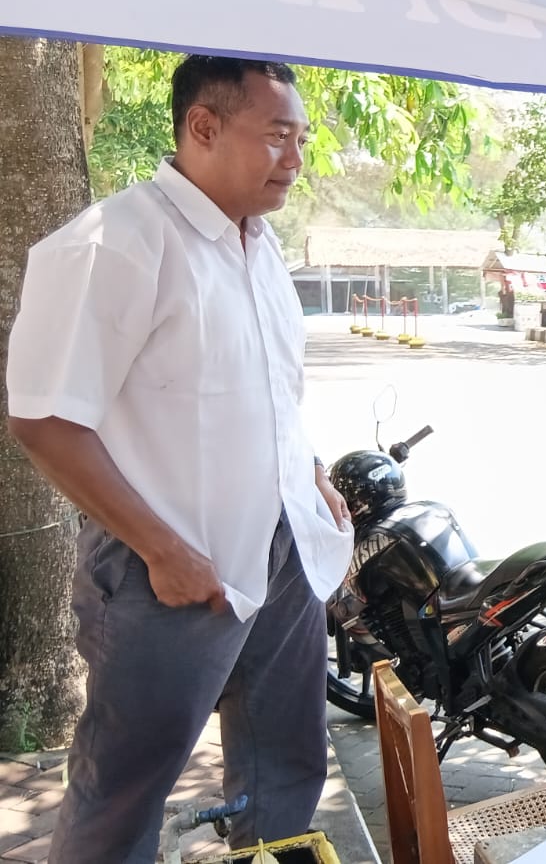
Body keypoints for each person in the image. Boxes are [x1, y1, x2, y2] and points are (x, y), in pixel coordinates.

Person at [7, 55, 356, 863]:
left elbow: (268, 390)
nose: (296, 161)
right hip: (169, 570)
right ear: (202, 127)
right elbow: (44, 419)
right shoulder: (114, 243)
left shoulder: (259, 243)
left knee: (286, 764)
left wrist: (308, 474)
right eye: (276, 137)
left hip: (281, 550)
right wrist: (164, 549)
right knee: (125, 789)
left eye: (300, 138)